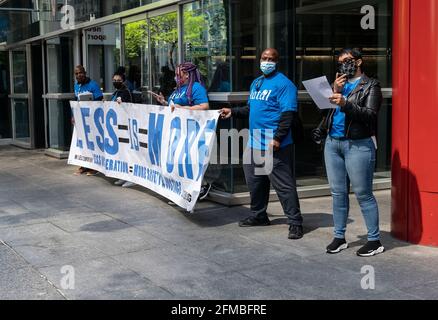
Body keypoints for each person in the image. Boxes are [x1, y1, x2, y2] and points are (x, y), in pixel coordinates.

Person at [220, 48, 304, 240]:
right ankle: (259, 216)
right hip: (255, 139)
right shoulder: (256, 83)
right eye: (264, 58)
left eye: (271, 59)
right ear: (259, 60)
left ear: (277, 62)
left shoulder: (284, 84)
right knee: (255, 182)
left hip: (274, 143)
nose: (267, 61)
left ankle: (295, 222)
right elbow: (251, 108)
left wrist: (278, 138)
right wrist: (233, 111)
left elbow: (288, 114)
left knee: (284, 185)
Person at [312, 48, 384, 257]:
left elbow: (370, 116)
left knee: (363, 194)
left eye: (348, 60)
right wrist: (333, 91)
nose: (344, 65)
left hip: (358, 145)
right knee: (337, 193)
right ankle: (339, 236)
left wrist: (345, 103)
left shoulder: (371, 85)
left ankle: (374, 240)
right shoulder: (339, 84)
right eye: (341, 62)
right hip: (333, 144)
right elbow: (325, 112)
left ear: (359, 62)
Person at [155, 62, 212, 201]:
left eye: (178, 74)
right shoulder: (179, 89)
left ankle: (199, 188)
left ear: (187, 75)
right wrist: (164, 102)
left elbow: (204, 106)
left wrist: (184, 109)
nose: (176, 77)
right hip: (177, 131)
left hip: (190, 131)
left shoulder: (196, 88)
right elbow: (175, 106)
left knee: (189, 162)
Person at [108, 72, 137, 189]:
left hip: (126, 127)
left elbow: (130, 107)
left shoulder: (126, 92)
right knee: (121, 153)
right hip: (117, 127)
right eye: (114, 79)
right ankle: (123, 175)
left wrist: (122, 104)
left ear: (123, 81)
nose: (116, 82)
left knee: (128, 152)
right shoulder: (116, 92)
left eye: (118, 80)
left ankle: (131, 177)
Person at [73, 65, 103, 176]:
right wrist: (74, 116)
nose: (78, 75)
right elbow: (76, 101)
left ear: (85, 73)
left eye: (80, 73)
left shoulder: (93, 85)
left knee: (93, 143)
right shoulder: (76, 85)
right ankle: (84, 165)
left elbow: (100, 99)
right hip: (82, 118)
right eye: (76, 74)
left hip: (93, 119)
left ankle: (94, 166)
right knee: (83, 143)